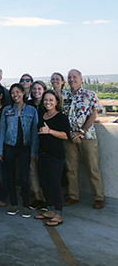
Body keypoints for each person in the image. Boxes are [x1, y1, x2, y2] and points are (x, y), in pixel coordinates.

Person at [62, 69, 104, 209]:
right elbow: (62, 117)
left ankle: (99, 197)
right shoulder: (64, 96)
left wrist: (81, 132)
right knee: (71, 169)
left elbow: (93, 115)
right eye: (69, 77)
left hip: (87, 137)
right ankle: (73, 196)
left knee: (92, 168)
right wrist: (71, 134)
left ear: (81, 79)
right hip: (69, 138)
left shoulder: (89, 94)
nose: (72, 79)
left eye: (74, 77)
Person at [0, 83, 39, 218]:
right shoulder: (6, 110)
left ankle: (26, 205)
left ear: (23, 93)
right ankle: (14, 204)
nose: (15, 95)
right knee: (10, 176)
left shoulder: (32, 110)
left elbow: (34, 133)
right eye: (13, 93)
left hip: (25, 148)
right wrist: (0, 150)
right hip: (9, 146)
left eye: (17, 92)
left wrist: (34, 151)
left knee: (24, 177)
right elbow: (1, 130)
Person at [35, 90, 71, 226]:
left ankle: (58, 214)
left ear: (56, 101)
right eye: (45, 100)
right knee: (44, 183)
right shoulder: (41, 116)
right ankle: (49, 210)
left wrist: (50, 131)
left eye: (51, 100)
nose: (47, 102)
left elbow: (66, 135)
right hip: (42, 154)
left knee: (55, 184)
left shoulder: (61, 117)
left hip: (56, 156)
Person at [27, 80, 47, 209]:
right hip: (30, 141)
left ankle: (46, 199)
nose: (36, 91)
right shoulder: (27, 105)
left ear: (44, 90)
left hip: (46, 142)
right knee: (32, 170)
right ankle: (37, 197)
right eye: (34, 89)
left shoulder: (49, 104)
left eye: (39, 89)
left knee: (44, 172)